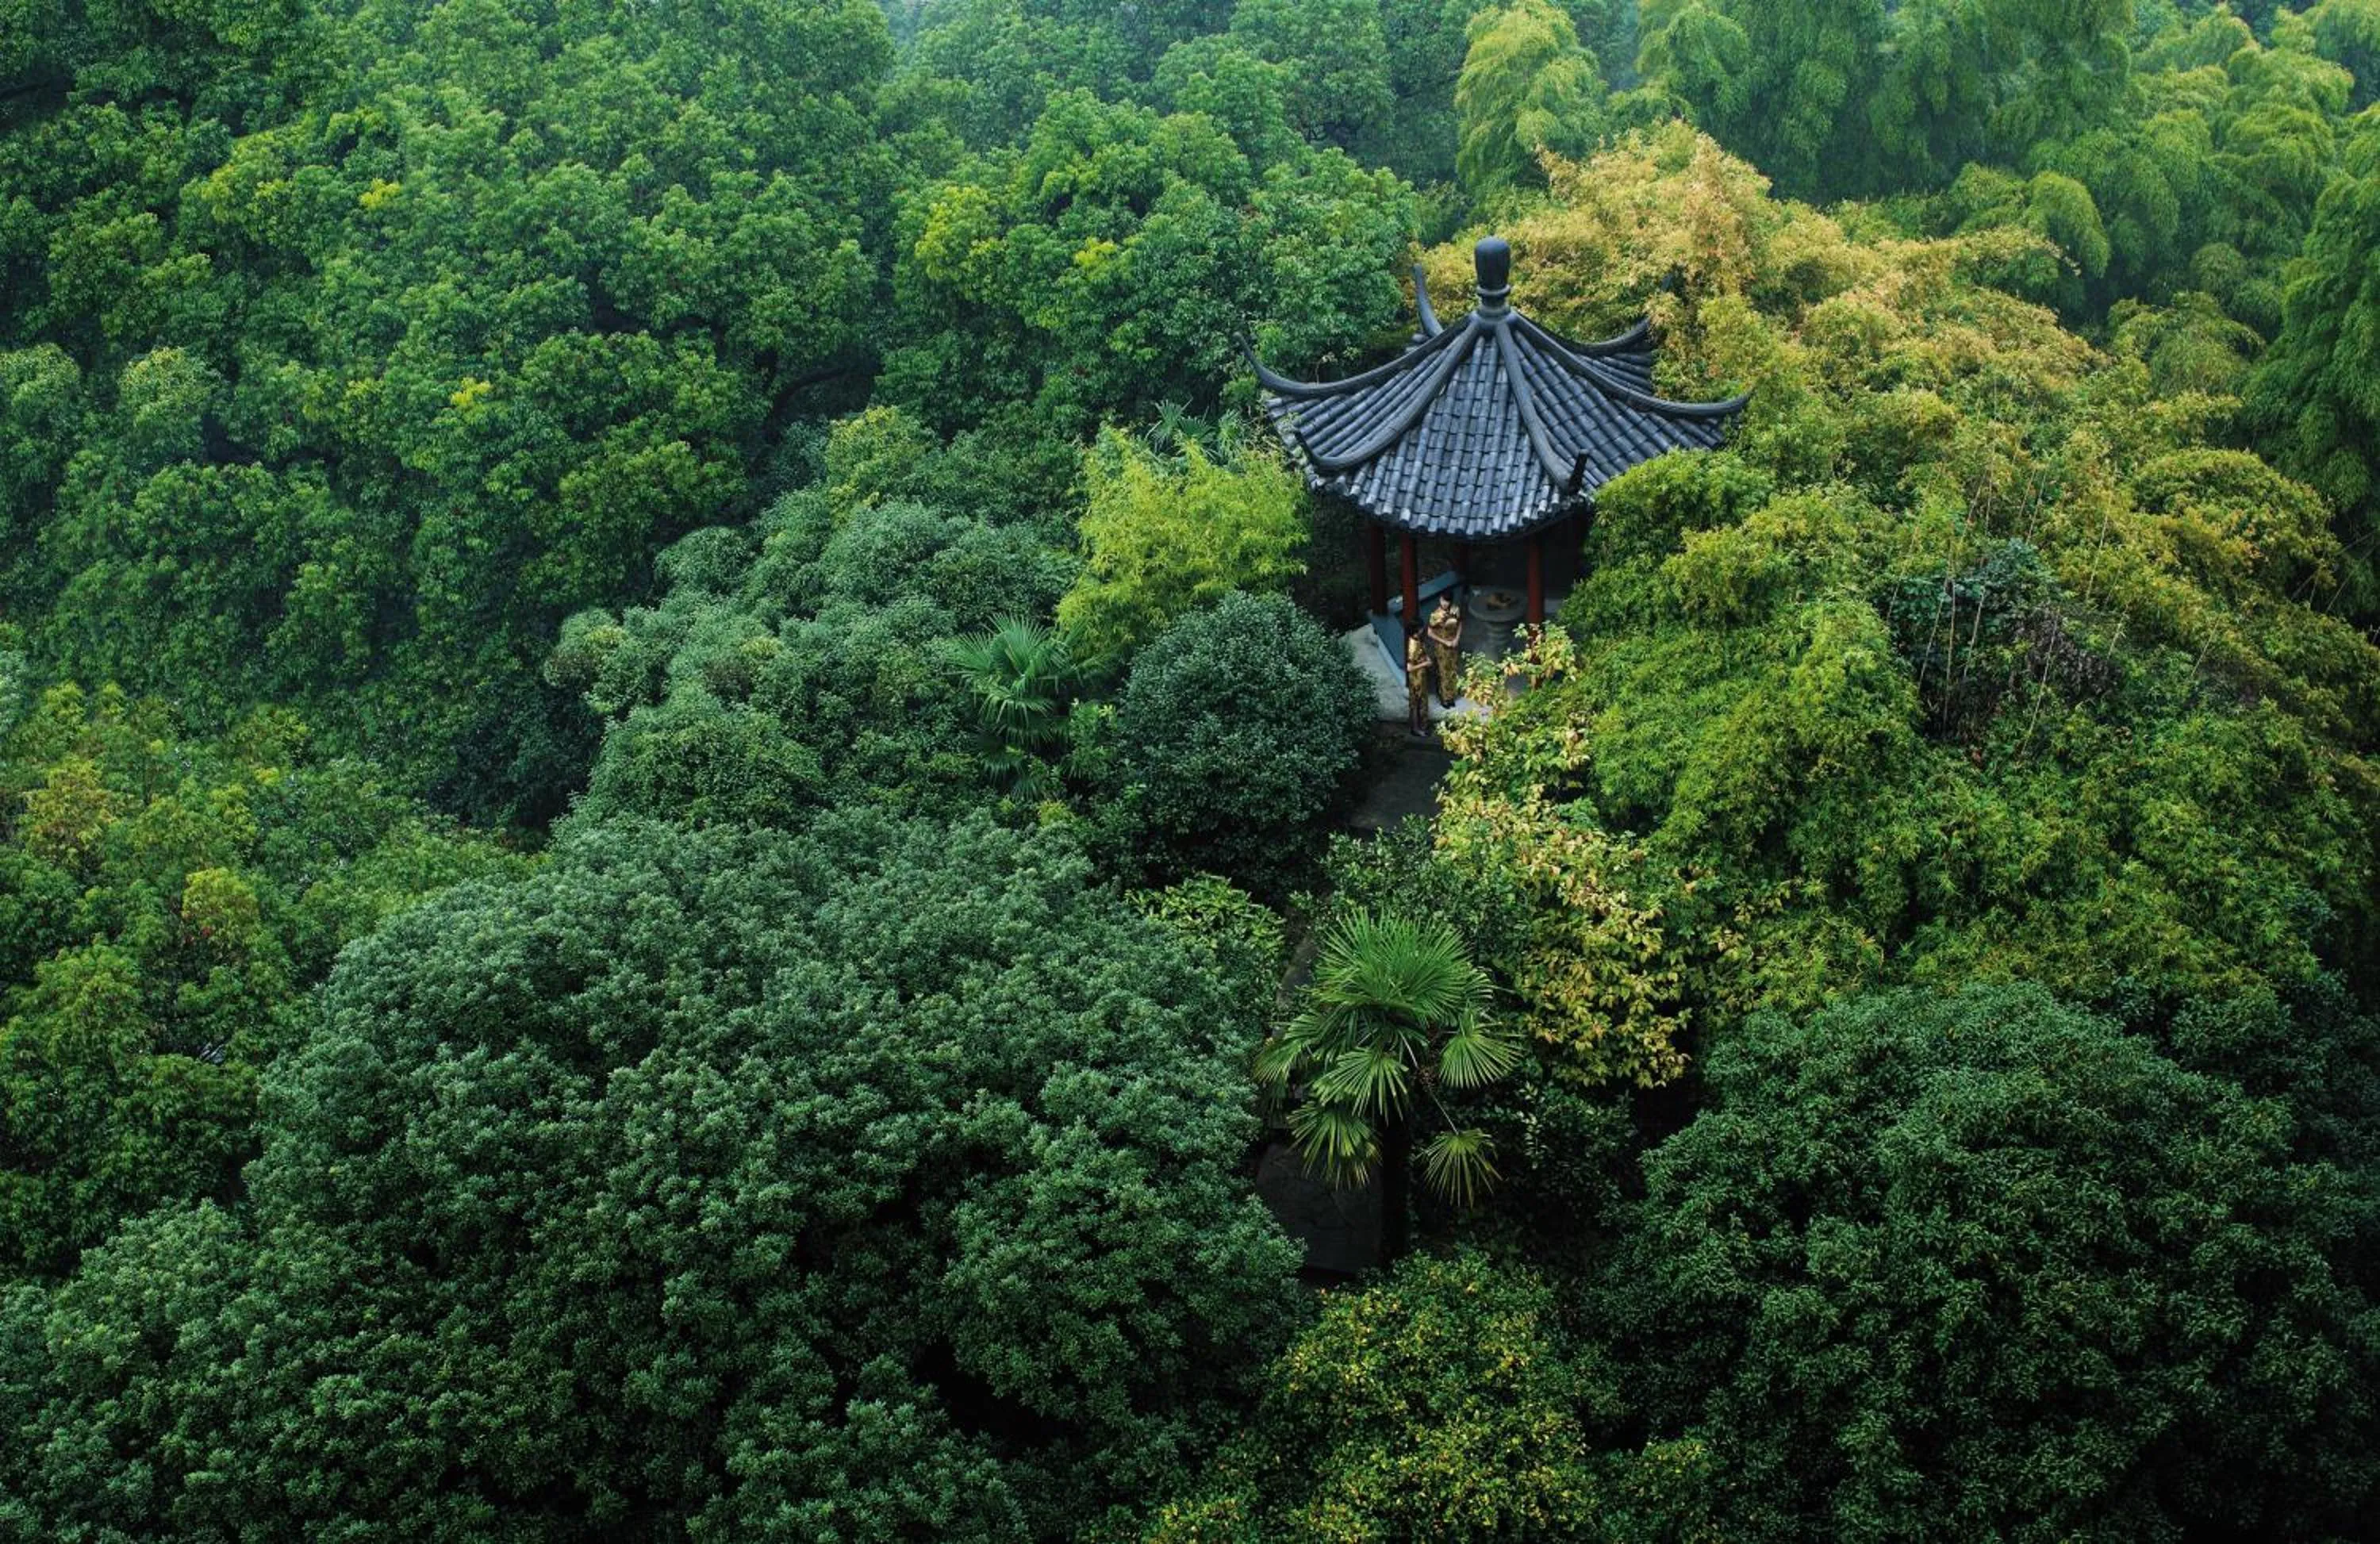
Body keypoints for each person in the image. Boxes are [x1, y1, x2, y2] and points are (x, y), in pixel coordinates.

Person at [1426, 596, 1464, 707]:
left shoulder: (1455, 610)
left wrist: (1457, 638)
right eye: (1443, 600)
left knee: (1453, 669)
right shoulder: (1435, 615)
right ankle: (1444, 697)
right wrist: (1444, 642)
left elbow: (1460, 623)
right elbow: (1429, 633)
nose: (1445, 603)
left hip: (1453, 645)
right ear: (1440, 600)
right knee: (1443, 671)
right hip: (1442, 646)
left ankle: (1451, 696)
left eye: (1447, 601)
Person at [1404, 632, 1435, 736]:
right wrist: (1425, 664)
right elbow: (1410, 668)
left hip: (1421, 677)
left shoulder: (1418, 641)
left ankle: (1422, 727)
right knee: (1417, 703)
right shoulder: (1412, 646)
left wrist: (1426, 659)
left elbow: (1423, 654)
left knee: (1422, 702)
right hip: (1416, 678)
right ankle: (1417, 729)